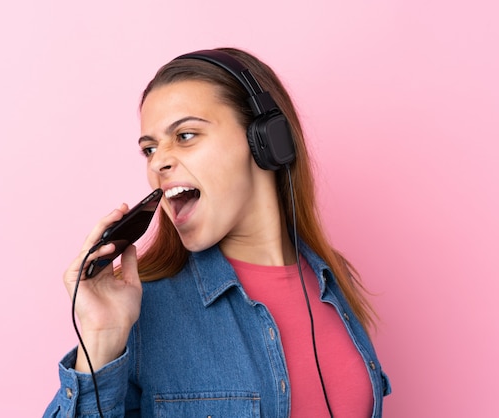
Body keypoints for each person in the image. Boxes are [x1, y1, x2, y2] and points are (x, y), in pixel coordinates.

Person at [44, 47, 391, 418]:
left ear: (265, 141)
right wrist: (99, 341)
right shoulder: (140, 308)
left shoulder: (333, 278)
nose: (159, 161)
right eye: (149, 149)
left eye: (186, 135)